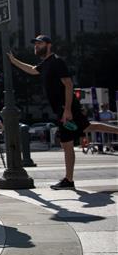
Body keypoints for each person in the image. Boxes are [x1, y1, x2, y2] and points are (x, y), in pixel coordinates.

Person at [8, 34, 118, 189]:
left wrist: (67, 110)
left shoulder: (56, 62)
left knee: (67, 143)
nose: (36, 46)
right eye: (35, 44)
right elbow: (32, 70)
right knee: (88, 127)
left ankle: (69, 180)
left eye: (39, 44)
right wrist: (14, 61)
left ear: (48, 45)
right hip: (64, 108)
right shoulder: (46, 63)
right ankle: (69, 179)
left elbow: (68, 84)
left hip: (65, 108)